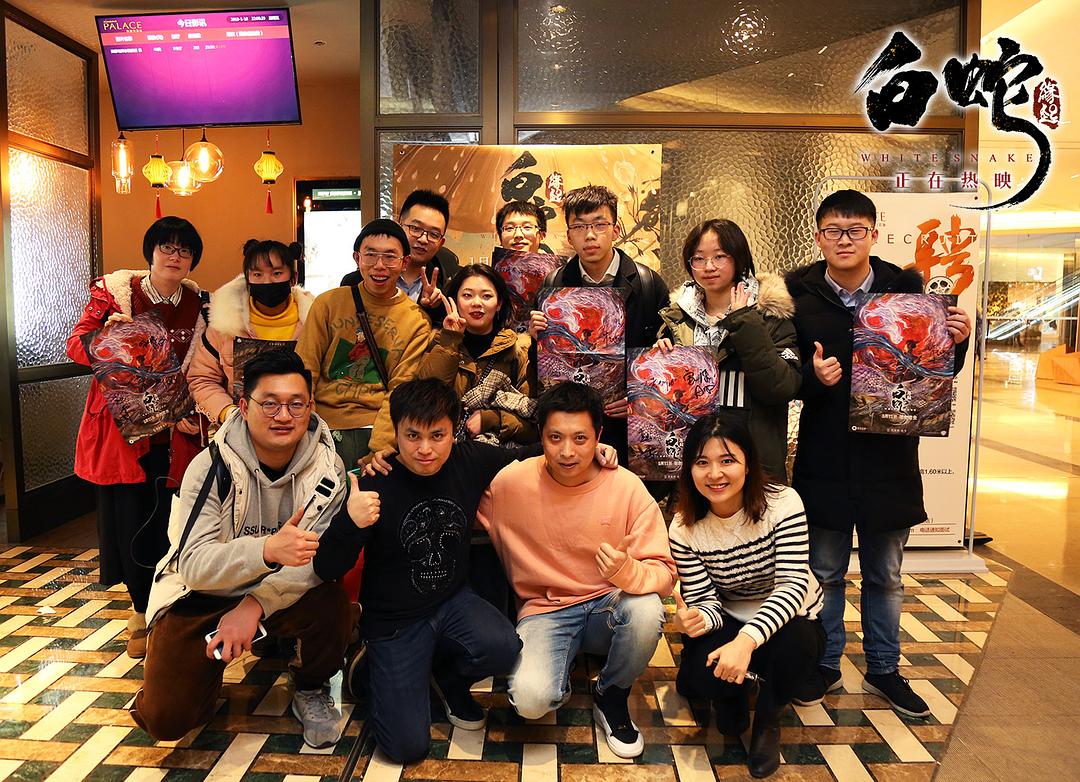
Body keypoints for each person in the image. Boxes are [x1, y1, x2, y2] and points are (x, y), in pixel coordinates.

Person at [785, 190, 972, 717]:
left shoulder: (908, 290)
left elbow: (935, 372)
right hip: (823, 453)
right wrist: (811, 378)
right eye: (833, 230)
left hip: (889, 457)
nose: (843, 240)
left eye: (855, 230)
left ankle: (884, 668)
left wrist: (955, 342)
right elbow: (783, 373)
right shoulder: (796, 295)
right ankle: (825, 663)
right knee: (823, 571)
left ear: (873, 233)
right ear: (818, 236)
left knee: (885, 574)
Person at [130, 350, 356, 750]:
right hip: (200, 595)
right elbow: (194, 566)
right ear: (244, 407)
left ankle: (310, 686)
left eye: (295, 404)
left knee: (333, 604)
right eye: (269, 403)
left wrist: (253, 605)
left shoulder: (328, 468)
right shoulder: (210, 466)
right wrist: (267, 549)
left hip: (279, 593)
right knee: (167, 720)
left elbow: (314, 562)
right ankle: (195, 671)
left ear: (310, 408)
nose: (283, 416)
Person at [476, 381, 676, 759]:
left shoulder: (625, 486)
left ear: (599, 436)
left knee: (648, 610)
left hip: (607, 605)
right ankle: (560, 671)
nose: (567, 452)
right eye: (556, 438)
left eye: (581, 438)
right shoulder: (510, 484)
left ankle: (611, 693)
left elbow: (664, 573)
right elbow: (454, 491)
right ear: (541, 436)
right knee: (531, 702)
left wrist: (627, 573)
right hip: (545, 611)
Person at [66, 216, 209, 659]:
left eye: (184, 250)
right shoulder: (115, 295)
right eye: (166, 247)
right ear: (150, 253)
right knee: (130, 522)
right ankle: (140, 610)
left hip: (179, 431)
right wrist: (111, 336)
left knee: (176, 523)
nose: (175, 256)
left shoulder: (200, 303)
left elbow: (205, 364)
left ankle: (171, 608)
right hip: (125, 432)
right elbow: (76, 346)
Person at [668, 413, 824, 779]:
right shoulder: (684, 527)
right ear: (689, 469)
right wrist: (695, 619)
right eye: (702, 462)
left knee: (798, 647)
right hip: (730, 614)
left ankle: (768, 720)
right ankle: (731, 694)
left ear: (748, 463)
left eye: (727, 461)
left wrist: (745, 641)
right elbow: (707, 600)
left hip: (791, 616)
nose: (715, 474)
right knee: (701, 675)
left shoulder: (783, 504)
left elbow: (792, 586)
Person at [528, 185, 669, 463]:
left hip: (627, 428)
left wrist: (639, 401)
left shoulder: (649, 284)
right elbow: (544, 369)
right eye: (579, 226)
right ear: (569, 235)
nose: (590, 235)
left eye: (599, 224)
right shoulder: (554, 284)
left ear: (616, 229)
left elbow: (665, 362)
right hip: (572, 427)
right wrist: (537, 340)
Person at [656, 219, 800, 481]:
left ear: (739, 258)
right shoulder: (677, 319)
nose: (709, 266)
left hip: (754, 465)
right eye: (698, 258)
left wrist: (745, 321)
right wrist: (659, 360)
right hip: (696, 464)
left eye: (720, 256)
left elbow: (780, 387)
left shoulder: (770, 314)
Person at [297, 219, 432, 467]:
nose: (379, 265)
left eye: (389, 257)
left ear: (404, 263)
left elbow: (400, 389)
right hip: (322, 424)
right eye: (370, 255)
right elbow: (306, 367)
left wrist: (380, 447)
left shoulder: (416, 321)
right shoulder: (328, 304)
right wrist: (305, 425)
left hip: (374, 426)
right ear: (357, 258)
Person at [187, 239, 313, 427]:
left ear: (293, 278)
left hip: (299, 427)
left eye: (277, 273)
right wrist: (227, 413)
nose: (267, 281)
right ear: (247, 279)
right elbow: (202, 378)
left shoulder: (314, 322)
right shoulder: (225, 324)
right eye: (257, 274)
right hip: (239, 429)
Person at [418, 264, 535, 445]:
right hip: (442, 450)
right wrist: (450, 339)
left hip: (497, 455)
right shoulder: (437, 341)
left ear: (499, 304)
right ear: (455, 301)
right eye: (467, 295)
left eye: (486, 296)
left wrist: (494, 419)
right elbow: (423, 401)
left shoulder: (518, 351)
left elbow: (533, 422)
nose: (477, 303)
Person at [341, 189, 456, 308]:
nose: (423, 239)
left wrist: (434, 309)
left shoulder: (448, 289)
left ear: (441, 243)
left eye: (434, 234)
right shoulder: (354, 282)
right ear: (399, 226)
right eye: (415, 228)